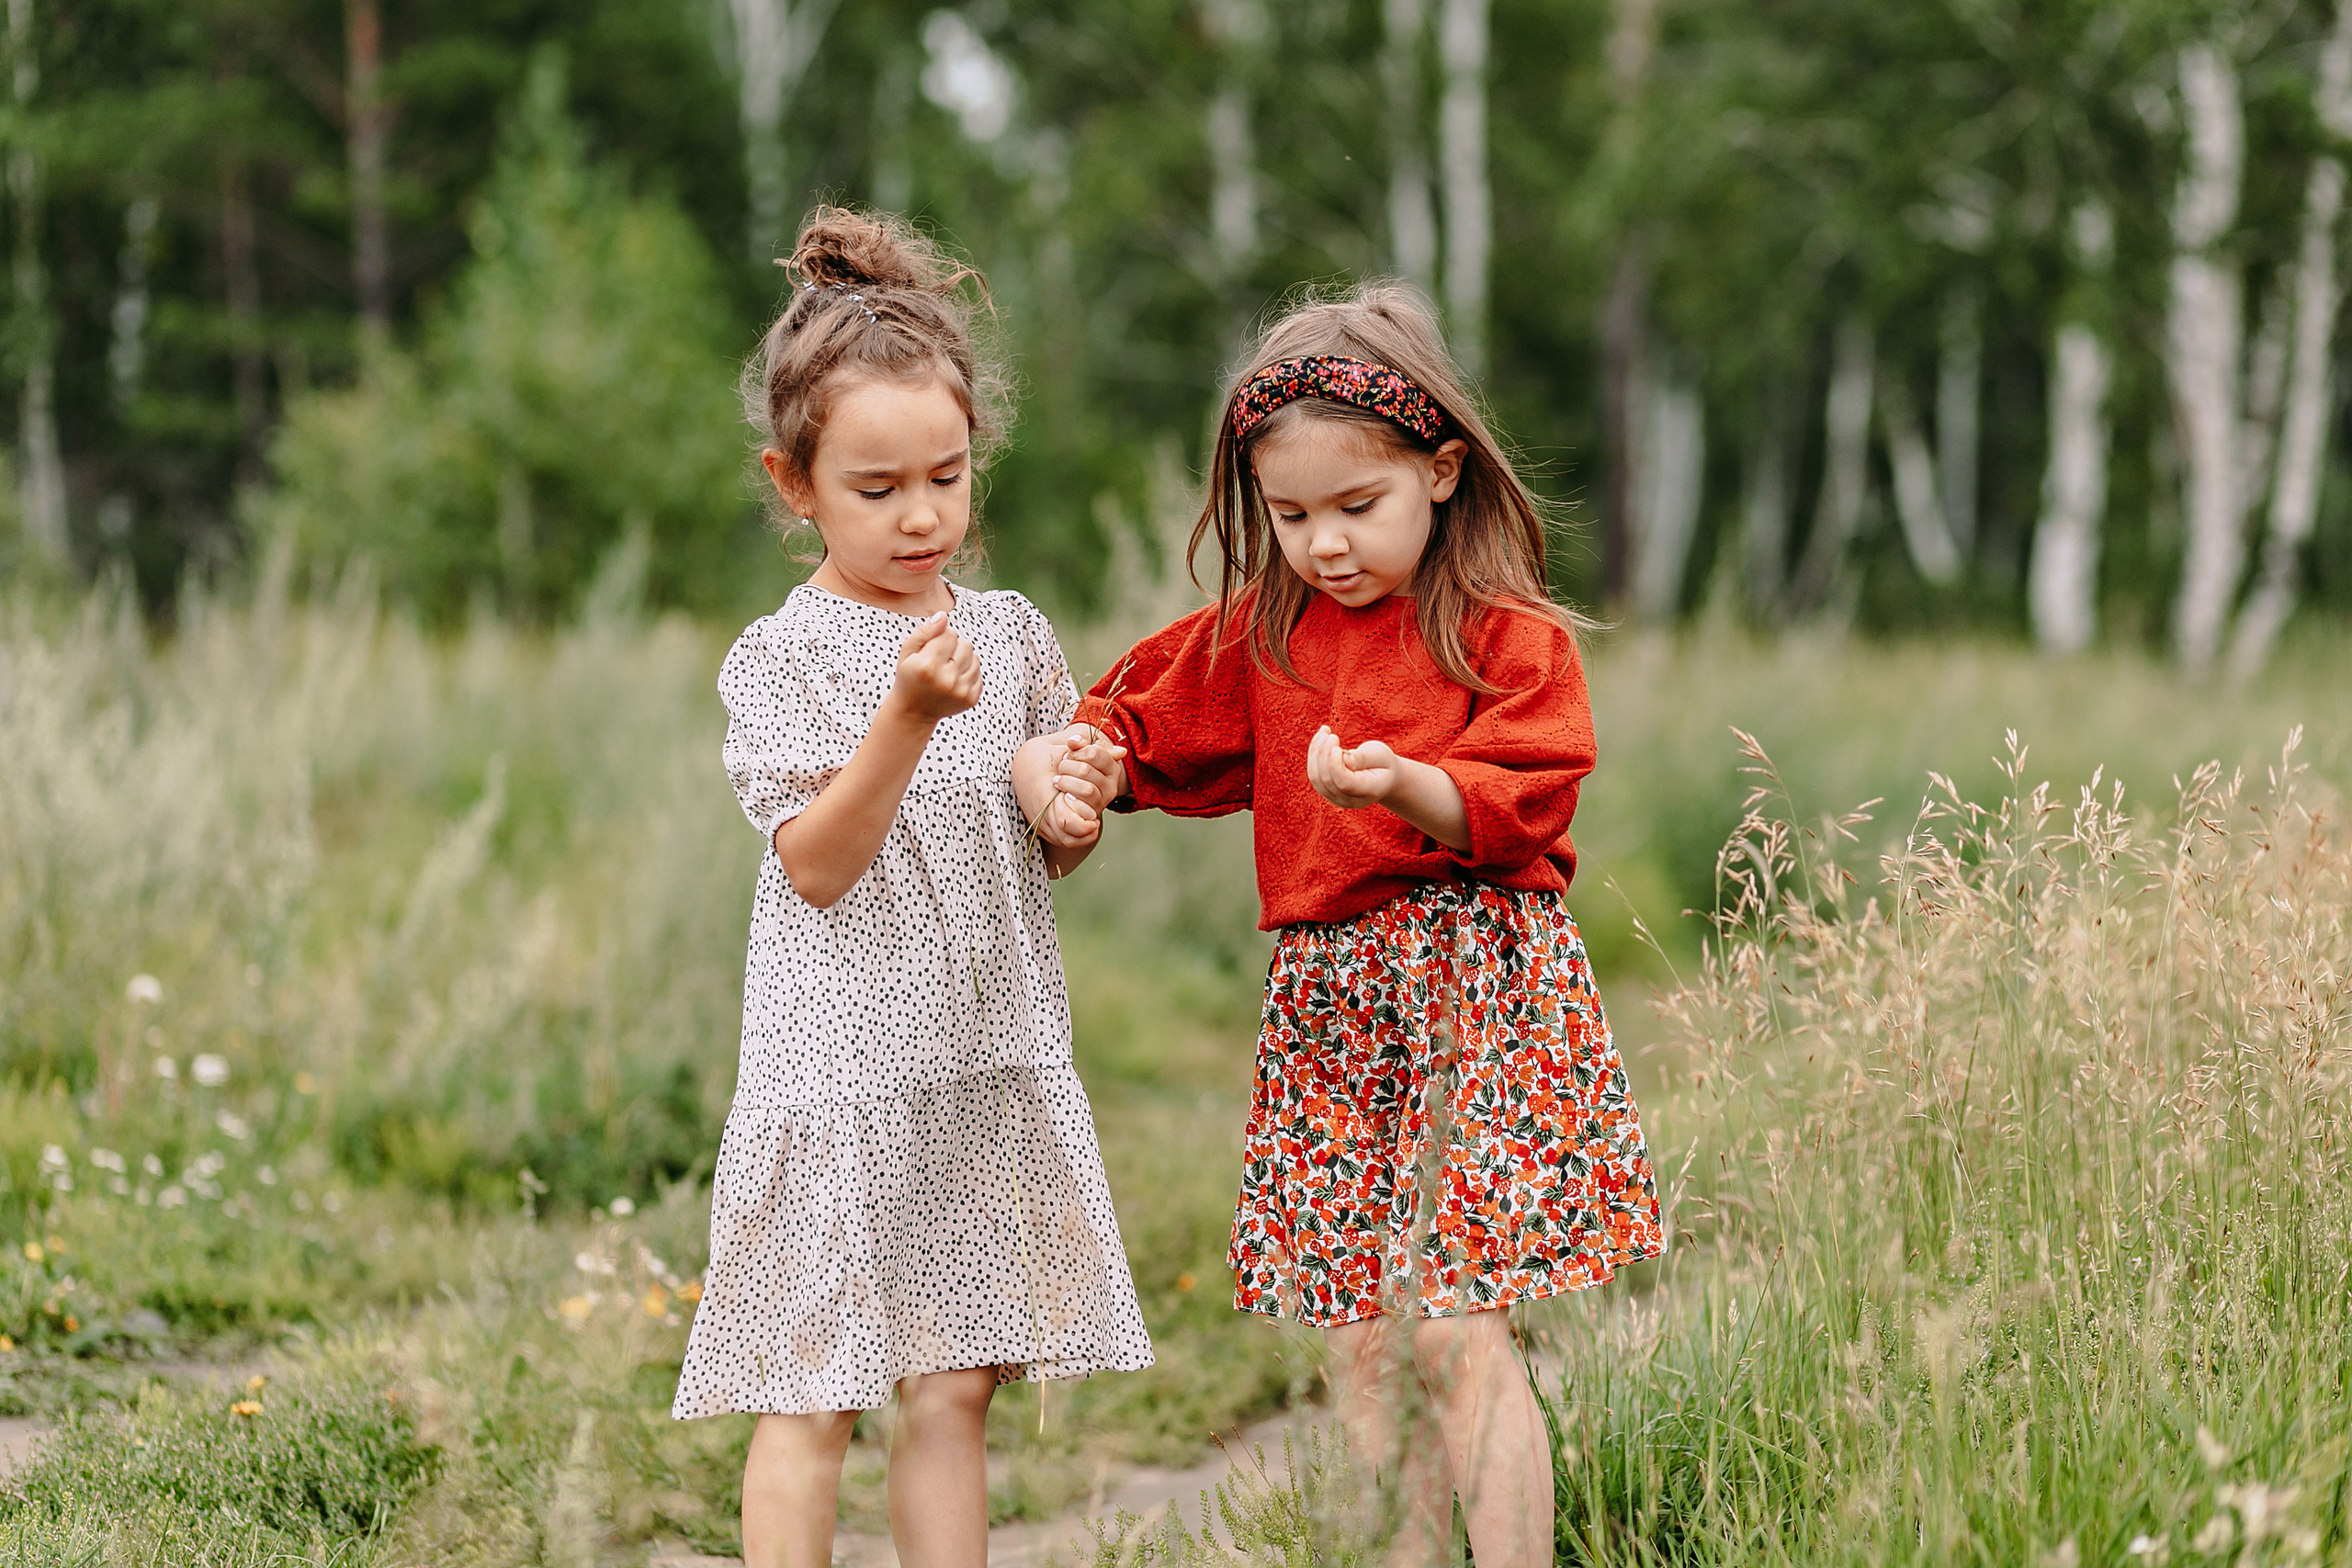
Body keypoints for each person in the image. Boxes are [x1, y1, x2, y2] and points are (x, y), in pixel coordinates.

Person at [1024, 283, 1664, 1564]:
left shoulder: (1507, 636)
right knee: (1364, 1337)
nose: (1324, 544)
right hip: (1328, 1013)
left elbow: (1526, 800)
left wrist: (1400, 785)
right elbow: (1135, 724)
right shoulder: (1265, 635)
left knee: (1450, 1326)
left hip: (1474, 996)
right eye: (1292, 512)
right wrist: (1083, 763)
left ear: (1439, 470)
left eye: (1356, 508)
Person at [672, 207, 1151, 1568]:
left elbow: (1047, 839)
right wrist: (908, 721)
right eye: (877, 488)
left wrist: (1069, 800)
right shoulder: (782, 659)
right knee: (815, 1389)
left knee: (954, 1383)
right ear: (795, 484)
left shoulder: (1008, 632)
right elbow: (819, 866)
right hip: (840, 1079)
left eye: (946, 477)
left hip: (981, 1056)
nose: (921, 514)